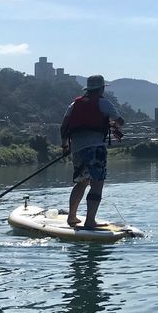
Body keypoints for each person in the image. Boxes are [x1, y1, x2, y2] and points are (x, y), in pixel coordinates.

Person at [60, 75, 125, 229]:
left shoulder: (74, 105)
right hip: (95, 148)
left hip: (77, 149)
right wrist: (111, 122)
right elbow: (120, 121)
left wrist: (65, 147)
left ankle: (72, 217)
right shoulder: (103, 103)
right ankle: (90, 221)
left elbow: (64, 127)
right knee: (96, 184)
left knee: (81, 182)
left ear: (88, 89)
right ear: (101, 88)